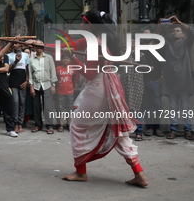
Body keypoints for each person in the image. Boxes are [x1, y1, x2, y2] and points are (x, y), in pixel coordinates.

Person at [60, 10, 148, 187]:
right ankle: (139, 174)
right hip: (110, 86)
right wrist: (37, 44)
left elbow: (91, 74)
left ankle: (80, 171)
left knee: (77, 125)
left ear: (89, 25)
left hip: (98, 88)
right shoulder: (100, 40)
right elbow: (68, 44)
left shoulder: (94, 44)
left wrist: (74, 60)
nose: (80, 25)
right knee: (117, 130)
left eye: (82, 21)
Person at [158, 17, 194, 140]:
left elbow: (192, 31)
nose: (175, 32)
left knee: (185, 107)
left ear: (183, 35)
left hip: (184, 81)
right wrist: (160, 25)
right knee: (172, 107)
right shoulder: (167, 44)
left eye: (178, 30)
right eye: (174, 31)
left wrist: (179, 22)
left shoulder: (186, 43)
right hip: (171, 81)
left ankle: (187, 130)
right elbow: (156, 41)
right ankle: (173, 130)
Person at [28, 40, 58, 134]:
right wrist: (31, 86)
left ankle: (49, 125)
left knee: (48, 106)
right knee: (36, 106)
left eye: (40, 46)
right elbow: (30, 74)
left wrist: (53, 85)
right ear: (34, 48)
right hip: (36, 85)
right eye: (37, 46)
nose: (38, 48)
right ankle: (38, 125)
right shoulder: (31, 59)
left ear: (43, 47)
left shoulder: (49, 58)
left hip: (47, 84)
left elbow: (52, 71)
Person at [140, 27, 164, 137]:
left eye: (148, 34)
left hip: (155, 81)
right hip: (144, 81)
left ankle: (157, 127)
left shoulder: (158, 48)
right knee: (147, 105)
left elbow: (164, 62)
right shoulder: (140, 49)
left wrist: (162, 76)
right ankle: (149, 128)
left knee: (158, 105)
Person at [7, 42, 30, 133]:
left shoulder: (25, 55)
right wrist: (16, 61)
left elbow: (28, 69)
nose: (14, 45)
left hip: (23, 81)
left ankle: (20, 123)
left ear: (20, 45)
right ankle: (15, 123)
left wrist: (26, 81)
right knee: (15, 103)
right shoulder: (9, 56)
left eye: (16, 43)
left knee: (22, 103)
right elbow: (8, 69)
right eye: (13, 44)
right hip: (13, 82)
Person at [56, 53, 78, 132]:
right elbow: (55, 80)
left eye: (67, 58)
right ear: (62, 60)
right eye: (64, 58)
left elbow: (75, 79)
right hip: (60, 91)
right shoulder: (58, 68)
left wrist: (75, 86)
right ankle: (61, 125)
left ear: (70, 60)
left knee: (70, 109)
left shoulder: (73, 69)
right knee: (60, 109)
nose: (65, 60)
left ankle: (69, 124)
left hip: (70, 91)